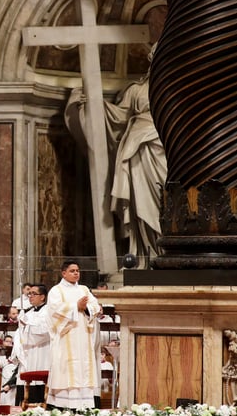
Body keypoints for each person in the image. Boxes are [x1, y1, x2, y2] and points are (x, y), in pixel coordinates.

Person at [64, 47, 167, 268]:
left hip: (167, 149)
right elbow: (118, 118)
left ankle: (168, 254)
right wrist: (92, 104)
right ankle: (144, 254)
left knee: (165, 202)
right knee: (141, 203)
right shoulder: (136, 90)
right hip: (137, 152)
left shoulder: (179, 89)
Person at [46, 260, 101, 410]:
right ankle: (63, 406)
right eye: (72, 271)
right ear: (63, 273)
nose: (76, 273)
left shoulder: (84, 289)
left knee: (83, 368)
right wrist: (75, 307)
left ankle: (84, 406)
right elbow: (54, 311)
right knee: (66, 368)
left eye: (77, 270)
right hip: (66, 336)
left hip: (83, 335)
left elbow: (95, 306)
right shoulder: (56, 291)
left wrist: (87, 308)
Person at [11, 283, 51, 407]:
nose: (30, 296)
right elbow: (20, 335)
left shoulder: (48, 312)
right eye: (29, 294)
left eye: (34, 294)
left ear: (43, 297)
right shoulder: (27, 313)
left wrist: (27, 326)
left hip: (42, 352)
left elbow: (45, 332)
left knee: (39, 386)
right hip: (28, 354)